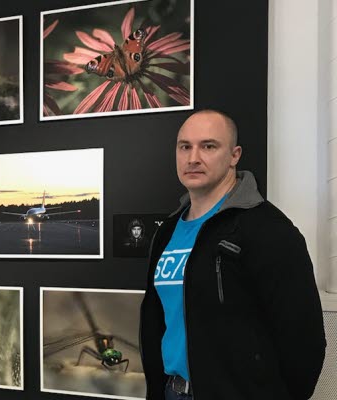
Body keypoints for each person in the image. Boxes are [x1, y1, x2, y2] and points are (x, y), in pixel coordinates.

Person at [139, 110, 326, 399]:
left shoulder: (268, 230)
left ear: (234, 155)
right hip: (173, 392)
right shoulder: (167, 232)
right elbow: (159, 323)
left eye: (209, 146)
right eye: (185, 146)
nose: (193, 158)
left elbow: (305, 340)